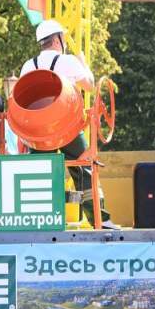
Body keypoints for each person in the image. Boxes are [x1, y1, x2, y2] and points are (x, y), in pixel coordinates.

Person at [18, 19, 116, 228]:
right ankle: (101, 221)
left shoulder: (28, 66)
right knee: (85, 169)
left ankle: (36, 221)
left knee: (38, 173)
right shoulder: (67, 62)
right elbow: (90, 86)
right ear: (57, 40)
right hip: (66, 128)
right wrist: (84, 65)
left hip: (38, 132)